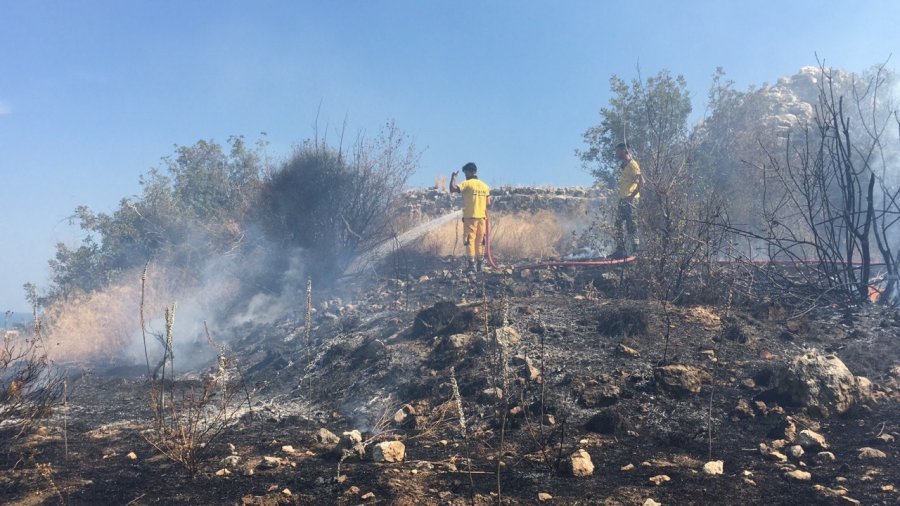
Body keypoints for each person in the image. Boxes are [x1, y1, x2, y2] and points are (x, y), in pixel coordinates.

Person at [450, 162, 491, 272]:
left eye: (465, 173)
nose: (465, 175)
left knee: (470, 241)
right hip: (482, 218)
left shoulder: (467, 183)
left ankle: (471, 265)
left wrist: (453, 177)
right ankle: (480, 265)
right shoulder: (485, 186)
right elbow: (489, 203)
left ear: (469, 172)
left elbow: (453, 189)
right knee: (480, 241)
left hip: (470, 218)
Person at [612, 142, 642, 258]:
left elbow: (642, 182)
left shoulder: (632, 165)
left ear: (624, 151)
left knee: (632, 224)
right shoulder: (624, 165)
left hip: (630, 200)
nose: (616, 153)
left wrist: (631, 196)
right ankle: (620, 250)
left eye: (618, 151)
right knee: (618, 223)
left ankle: (636, 250)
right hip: (623, 199)